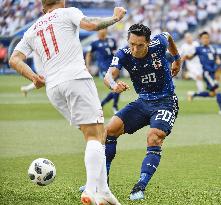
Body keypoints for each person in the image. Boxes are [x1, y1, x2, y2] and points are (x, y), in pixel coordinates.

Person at [9, 0, 126, 204]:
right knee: (95, 136)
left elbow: (14, 59)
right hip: (76, 79)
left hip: (53, 88)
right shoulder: (67, 12)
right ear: (61, 1)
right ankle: (90, 191)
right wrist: (115, 18)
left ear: (43, 7)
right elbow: (90, 24)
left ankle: (104, 191)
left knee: (96, 135)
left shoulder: (32, 29)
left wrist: (34, 77)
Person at [104, 23, 181, 200]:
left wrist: (177, 59)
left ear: (148, 43)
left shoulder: (158, 43)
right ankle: (102, 182)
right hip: (143, 102)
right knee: (109, 130)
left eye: (140, 45)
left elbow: (168, 35)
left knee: (154, 136)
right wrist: (114, 85)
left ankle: (140, 186)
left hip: (166, 101)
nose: (135, 49)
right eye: (131, 44)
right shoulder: (123, 54)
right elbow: (108, 76)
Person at [184, 31, 221, 116]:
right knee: (218, 89)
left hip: (212, 72)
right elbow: (190, 57)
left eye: (207, 38)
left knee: (212, 94)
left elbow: (217, 57)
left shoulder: (213, 48)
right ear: (201, 39)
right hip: (207, 73)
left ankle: (193, 94)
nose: (206, 39)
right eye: (204, 38)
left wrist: (218, 60)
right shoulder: (198, 49)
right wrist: (185, 57)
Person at [86, 29, 120, 114]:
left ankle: (102, 104)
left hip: (113, 67)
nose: (103, 31)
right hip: (103, 67)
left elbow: (116, 53)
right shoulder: (95, 43)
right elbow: (88, 54)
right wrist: (88, 66)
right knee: (115, 86)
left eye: (105, 29)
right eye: (102, 29)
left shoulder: (112, 41)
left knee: (116, 87)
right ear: (98, 31)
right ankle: (114, 106)